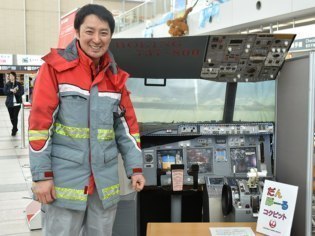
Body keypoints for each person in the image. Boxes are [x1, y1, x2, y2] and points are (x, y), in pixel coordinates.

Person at [28, 4, 145, 236]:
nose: (97, 39)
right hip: (65, 185)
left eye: (104, 33)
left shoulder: (115, 77)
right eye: (90, 31)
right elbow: (40, 127)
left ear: (110, 36)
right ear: (77, 32)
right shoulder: (54, 70)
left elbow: (127, 128)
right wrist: (42, 177)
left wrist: (136, 169)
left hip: (103, 185)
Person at [4, 71, 24, 136]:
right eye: (10, 76)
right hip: (9, 104)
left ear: (14, 76)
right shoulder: (7, 84)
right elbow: (5, 92)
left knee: (15, 117)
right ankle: (15, 127)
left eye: (12, 76)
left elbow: (22, 92)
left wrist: (16, 92)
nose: (11, 77)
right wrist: (10, 90)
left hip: (17, 104)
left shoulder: (18, 84)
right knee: (11, 117)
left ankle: (14, 130)